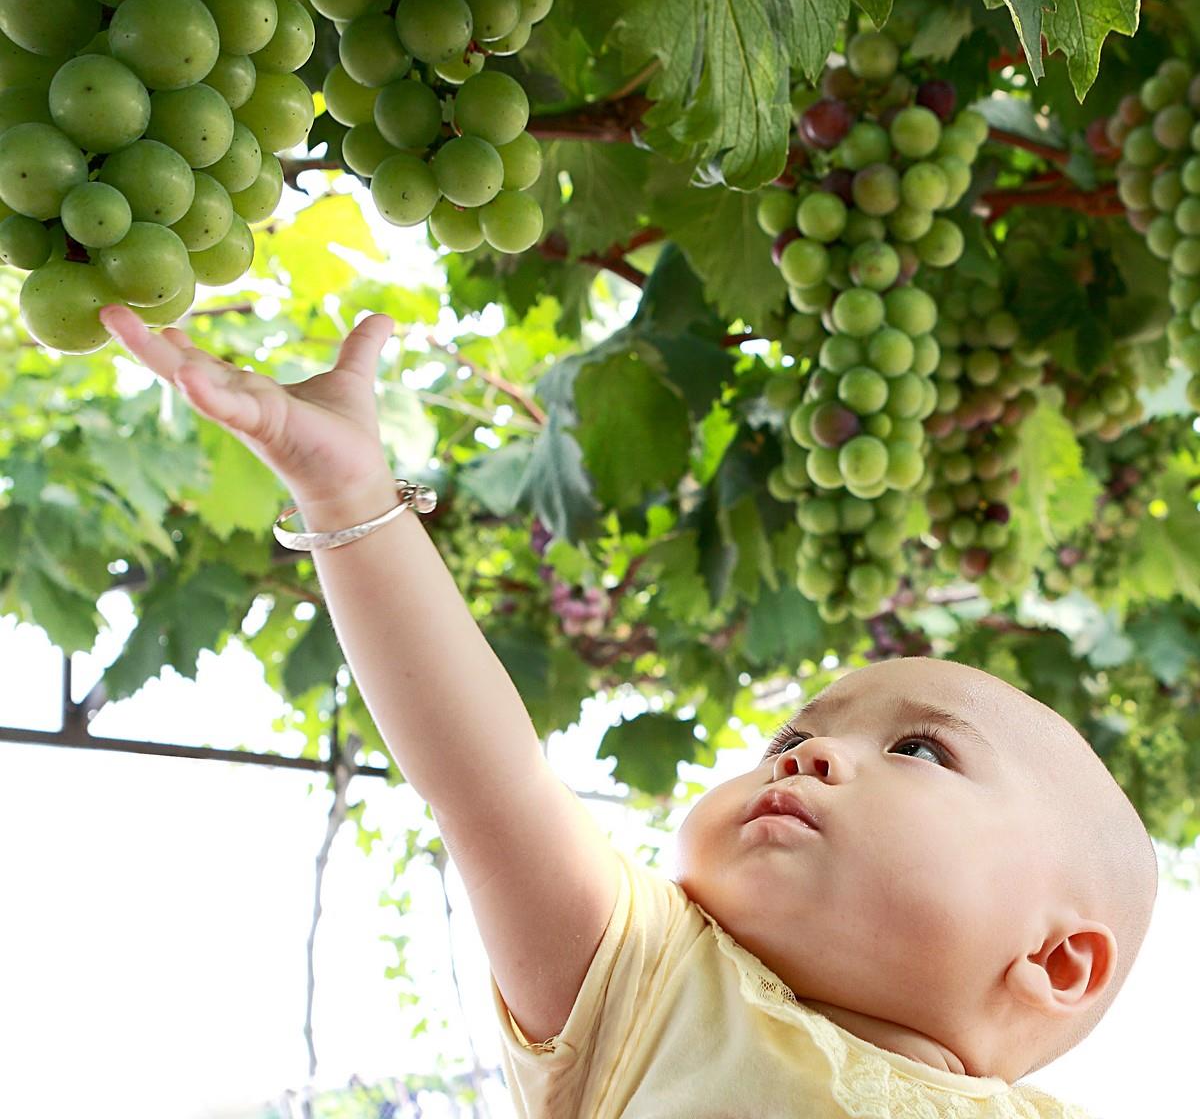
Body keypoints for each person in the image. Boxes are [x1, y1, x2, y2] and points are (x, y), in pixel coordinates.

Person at [97, 305, 1158, 1118]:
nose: (814, 754)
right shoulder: (658, 993)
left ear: (1057, 960)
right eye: (789, 738)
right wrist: (351, 503)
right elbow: (489, 784)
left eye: (919, 747)